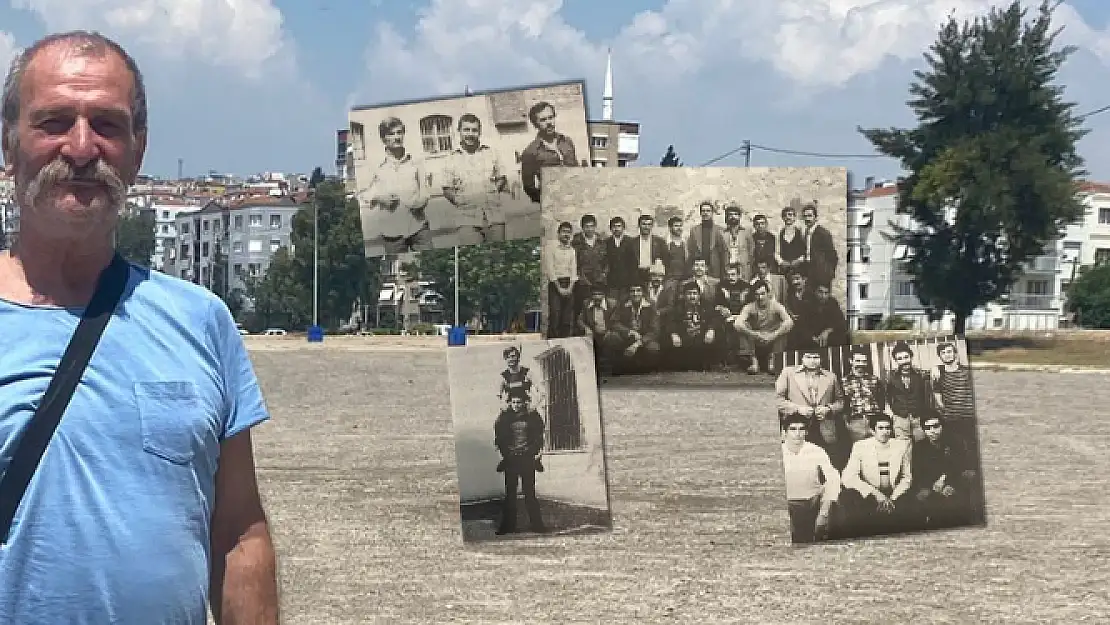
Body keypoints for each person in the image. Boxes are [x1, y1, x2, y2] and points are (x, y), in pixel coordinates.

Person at [0, 31, 277, 623]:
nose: (80, 147)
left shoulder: (202, 323)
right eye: (53, 122)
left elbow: (239, 534)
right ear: (9, 145)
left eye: (106, 123)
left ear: (138, 149)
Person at [840, 413, 914, 538]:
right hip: (871, 495)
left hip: (894, 494)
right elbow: (848, 477)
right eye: (881, 428)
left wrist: (893, 498)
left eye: (888, 428)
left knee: (911, 504)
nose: (885, 432)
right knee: (848, 497)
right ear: (873, 430)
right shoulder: (860, 446)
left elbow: (906, 477)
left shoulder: (901, 446)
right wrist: (876, 495)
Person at [365, 116, 431, 253]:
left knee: (430, 263)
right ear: (383, 139)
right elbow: (364, 194)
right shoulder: (375, 166)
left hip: (418, 227)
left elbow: (425, 188)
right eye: (391, 134)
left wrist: (422, 200)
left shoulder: (415, 161)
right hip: (391, 232)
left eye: (399, 132)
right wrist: (380, 198)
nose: (396, 137)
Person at [775, 348, 847, 469]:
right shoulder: (788, 373)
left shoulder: (830, 376)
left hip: (824, 427)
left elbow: (841, 402)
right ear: (802, 358)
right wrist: (798, 409)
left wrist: (828, 409)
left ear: (821, 359)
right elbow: (777, 399)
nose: (812, 361)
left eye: (815, 357)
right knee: (798, 463)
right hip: (797, 426)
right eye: (808, 357)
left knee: (824, 463)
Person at [442, 113, 507, 245]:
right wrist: (458, 200)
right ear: (459, 131)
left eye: (474, 130)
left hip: (494, 215)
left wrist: (493, 189)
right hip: (466, 218)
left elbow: (502, 177)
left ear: (479, 132)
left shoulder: (491, 153)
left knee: (499, 254)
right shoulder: (450, 158)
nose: (470, 134)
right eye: (466, 130)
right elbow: (447, 189)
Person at [493, 389, 547, 535]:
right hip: (511, 459)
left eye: (519, 402)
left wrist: (533, 451)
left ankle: (537, 526)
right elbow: (499, 435)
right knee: (510, 494)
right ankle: (507, 527)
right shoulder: (505, 417)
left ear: (524, 402)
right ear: (510, 403)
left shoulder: (532, 415)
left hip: (527, 458)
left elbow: (539, 435)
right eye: (514, 402)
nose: (516, 405)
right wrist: (507, 453)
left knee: (529, 493)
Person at [781, 413, 841, 543]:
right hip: (788, 504)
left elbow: (833, 477)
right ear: (784, 432)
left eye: (801, 429)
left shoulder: (816, 450)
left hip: (812, 502)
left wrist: (824, 511)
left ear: (806, 432)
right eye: (793, 429)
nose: (798, 433)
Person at [911, 414, 978, 530]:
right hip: (932, 485)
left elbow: (960, 466)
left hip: (953, 481)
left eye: (936, 426)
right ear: (923, 429)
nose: (932, 431)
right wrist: (934, 486)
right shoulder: (919, 447)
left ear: (942, 426)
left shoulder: (955, 442)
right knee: (923, 498)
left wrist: (949, 483)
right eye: (928, 428)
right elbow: (918, 472)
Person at [520, 101, 579, 204]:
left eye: (551, 117)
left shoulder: (567, 141)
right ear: (535, 124)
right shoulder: (530, 152)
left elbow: (576, 169)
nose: (549, 123)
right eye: (543, 120)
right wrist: (546, 201)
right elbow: (528, 186)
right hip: (553, 204)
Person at [732, 280, 793, 375]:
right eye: (757, 295)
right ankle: (754, 361)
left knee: (784, 326)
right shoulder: (749, 307)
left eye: (763, 294)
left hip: (772, 338)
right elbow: (737, 323)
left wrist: (773, 335)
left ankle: (773, 361)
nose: (760, 297)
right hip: (756, 339)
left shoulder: (776, 306)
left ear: (768, 294)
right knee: (744, 326)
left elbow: (789, 322)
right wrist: (754, 334)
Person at [930, 342, 979, 452]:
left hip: (969, 416)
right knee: (955, 448)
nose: (947, 355)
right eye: (943, 353)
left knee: (972, 447)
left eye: (949, 351)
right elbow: (937, 393)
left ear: (955, 354)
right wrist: (944, 409)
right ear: (940, 356)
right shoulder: (938, 374)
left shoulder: (966, 371)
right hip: (951, 418)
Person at [885, 340, 935, 442]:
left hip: (919, 417)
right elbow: (887, 396)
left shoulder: (921, 374)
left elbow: (934, 375)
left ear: (911, 357)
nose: (904, 361)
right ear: (896, 361)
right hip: (900, 418)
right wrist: (891, 412)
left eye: (906, 357)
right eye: (900, 359)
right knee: (903, 446)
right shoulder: (890, 376)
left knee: (922, 444)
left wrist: (936, 368)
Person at [606, 284, 661, 371]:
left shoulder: (651, 305)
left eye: (638, 291)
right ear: (629, 293)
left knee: (653, 348)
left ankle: (644, 368)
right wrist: (629, 331)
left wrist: (637, 344)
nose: (635, 294)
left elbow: (655, 330)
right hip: (628, 336)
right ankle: (620, 367)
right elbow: (614, 322)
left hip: (644, 337)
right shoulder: (622, 303)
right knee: (611, 337)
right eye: (632, 291)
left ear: (643, 292)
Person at [841, 347, 886, 445]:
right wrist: (847, 423)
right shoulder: (844, 381)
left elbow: (881, 400)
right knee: (861, 450)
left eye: (864, 361)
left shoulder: (874, 380)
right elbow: (842, 403)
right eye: (858, 361)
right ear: (851, 361)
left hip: (875, 420)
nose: (861, 364)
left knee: (877, 449)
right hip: (856, 422)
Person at [543, 221, 577, 338]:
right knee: (555, 316)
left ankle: (565, 345)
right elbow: (550, 270)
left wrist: (570, 288)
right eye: (563, 232)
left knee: (567, 318)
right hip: (555, 284)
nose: (566, 235)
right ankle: (552, 344)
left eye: (568, 232)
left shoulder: (572, 250)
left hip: (569, 285)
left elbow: (573, 271)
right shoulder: (551, 248)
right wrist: (559, 288)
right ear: (558, 234)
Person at [571, 213, 607, 316]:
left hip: (599, 281)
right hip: (583, 281)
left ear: (595, 227)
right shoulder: (576, 242)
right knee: (582, 307)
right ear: (582, 228)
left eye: (592, 226)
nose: (589, 229)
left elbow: (606, 261)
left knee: (598, 307)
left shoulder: (601, 241)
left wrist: (603, 274)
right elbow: (574, 262)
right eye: (587, 226)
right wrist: (581, 277)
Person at [686, 201, 729, 280]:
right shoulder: (694, 230)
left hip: (715, 269)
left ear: (712, 213)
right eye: (703, 211)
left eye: (708, 211)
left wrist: (724, 271)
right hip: (698, 270)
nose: (705, 213)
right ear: (700, 213)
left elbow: (724, 252)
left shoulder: (720, 230)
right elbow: (690, 252)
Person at [800, 203, 838, 286]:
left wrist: (828, 273)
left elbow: (832, 255)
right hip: (809, 272)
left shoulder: (823, 233)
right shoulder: (806, 233)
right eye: (805, 216)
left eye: (810, 216)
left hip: (821, 273)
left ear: (815, 217)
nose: (807, 219)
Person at [604, 216, 636, 310]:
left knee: (625, 307)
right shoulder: (606, 242)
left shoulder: (631, 242)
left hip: (627, 282)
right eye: (614, 226)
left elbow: (634, 263)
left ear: (623, 228)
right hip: (612, 282)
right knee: (612, 306)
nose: (616, 229)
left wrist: (632, 281)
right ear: (611, 229)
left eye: (619, 226)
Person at [633, 213, 668, 286]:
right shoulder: (632, 242)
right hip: (636, 275)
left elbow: (666, 260)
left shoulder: (660, 242)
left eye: (649, 224)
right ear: (639, 225)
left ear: (652, 226)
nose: (646, 227)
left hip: (654, 275)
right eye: (644, 224)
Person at [722, 203, 754, 280]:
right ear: (727, 217)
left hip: (743, 268)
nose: (733, 217)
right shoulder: (722, 233)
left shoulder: (747, 232)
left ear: (739, 217)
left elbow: (751, 251)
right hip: (728, 268)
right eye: (730, 215)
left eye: (736, 214)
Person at [776, 205, 806, 276]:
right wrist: (781, 262)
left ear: (794, 217)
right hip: (784, 269)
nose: (788, 217)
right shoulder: (779, 234)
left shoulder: (801, 233)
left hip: (799, 268)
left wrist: (799, 260)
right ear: (783, 218)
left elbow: (806, 250)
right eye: (785, 215)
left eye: (790, 215)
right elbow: (776, 252)